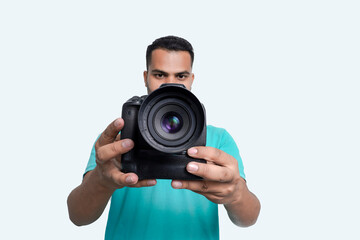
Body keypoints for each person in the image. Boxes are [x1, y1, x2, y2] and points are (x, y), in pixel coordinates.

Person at [67, 36, 261, 239]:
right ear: (145, 77)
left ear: (192, 79)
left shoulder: (218, 139)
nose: (169, 84)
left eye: (180, 76)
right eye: (160, 75)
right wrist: (101, 180)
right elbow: (78, 217)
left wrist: (236, 194)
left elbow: (248, 219)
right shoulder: (117, 141)